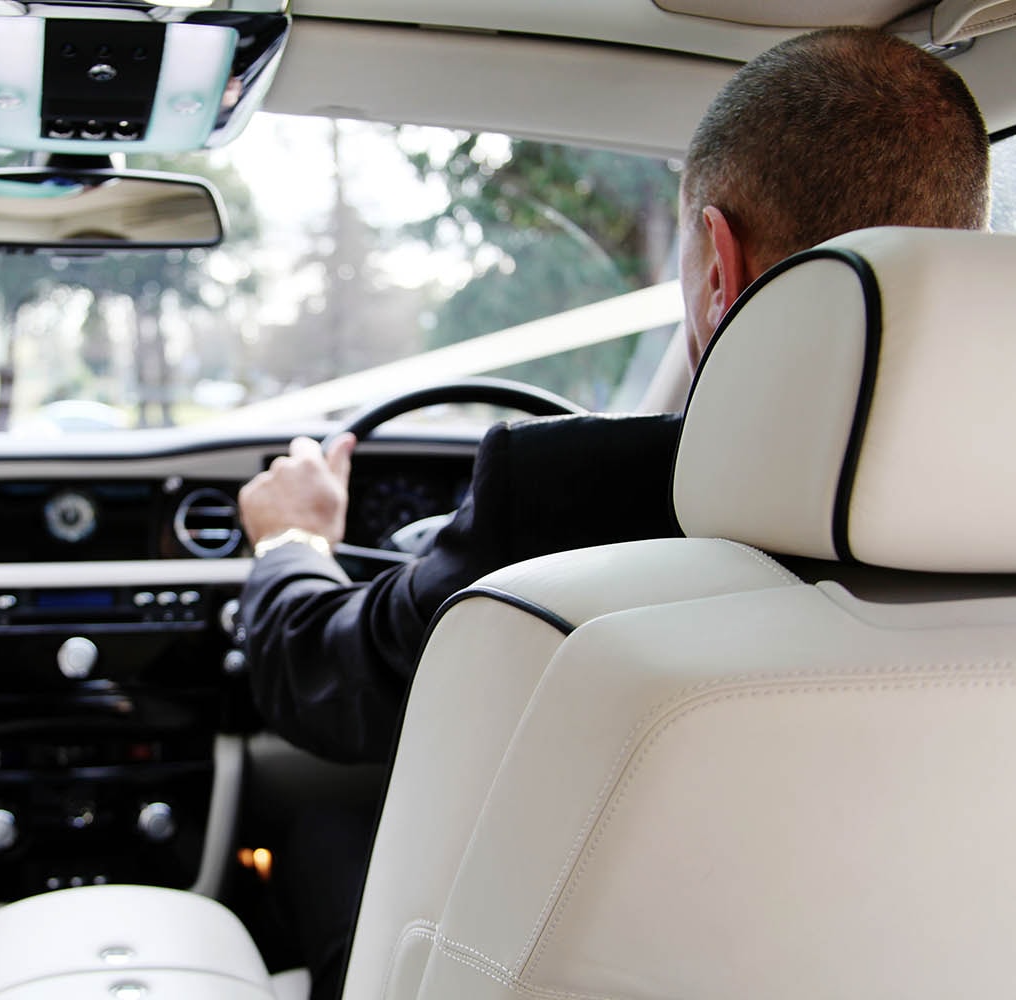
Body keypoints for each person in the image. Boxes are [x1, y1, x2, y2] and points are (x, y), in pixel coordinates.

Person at [237, 26, 991, 1000]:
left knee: (320, 821)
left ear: (719, 266)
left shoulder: (566, 494)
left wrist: (291, 539)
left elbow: (326, 678)